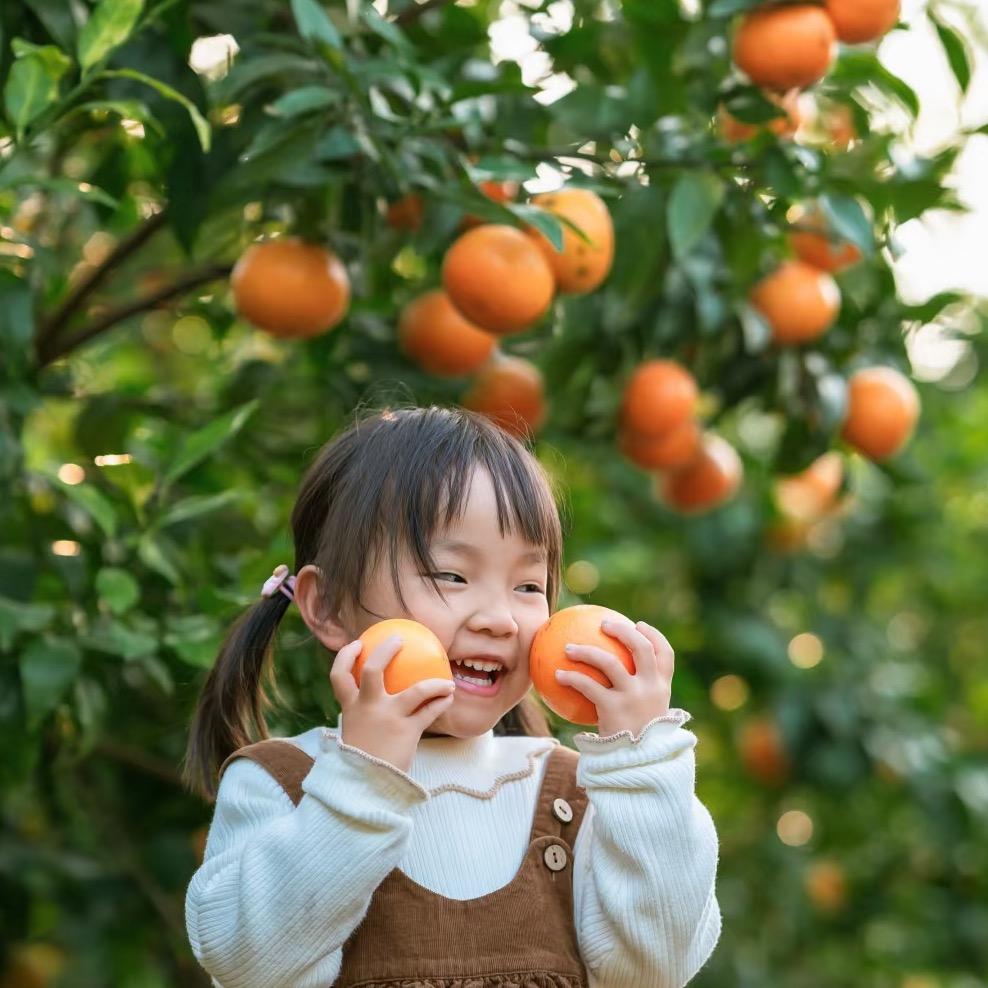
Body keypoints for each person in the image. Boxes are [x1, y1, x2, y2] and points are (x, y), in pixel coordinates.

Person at [183, 404, 721, 988]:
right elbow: (249, 963)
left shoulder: (584, 798)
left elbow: (654, 968)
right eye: (452, 576)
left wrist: (641, 763)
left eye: (527, 585)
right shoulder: (284, 785)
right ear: (329, 605)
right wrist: (364, 778)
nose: (498, 619)